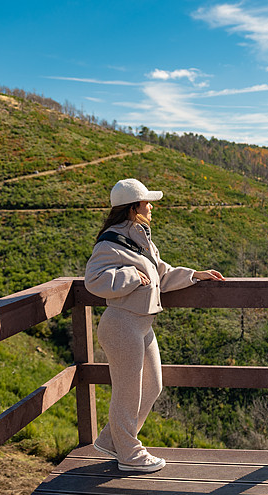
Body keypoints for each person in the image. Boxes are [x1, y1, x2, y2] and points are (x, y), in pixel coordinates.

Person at [84, 178, 225, 472]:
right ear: (132, 207)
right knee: (128, 393)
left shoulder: (140, 238)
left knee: (152, 386)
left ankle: (112, 440)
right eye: (147, 202)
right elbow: (94, 280)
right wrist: (130, 276)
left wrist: (195, 275)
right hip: (122, 325)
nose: (151, 207)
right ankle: (129, 454)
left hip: (140, 325)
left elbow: (160, 274)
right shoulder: (110, 242)